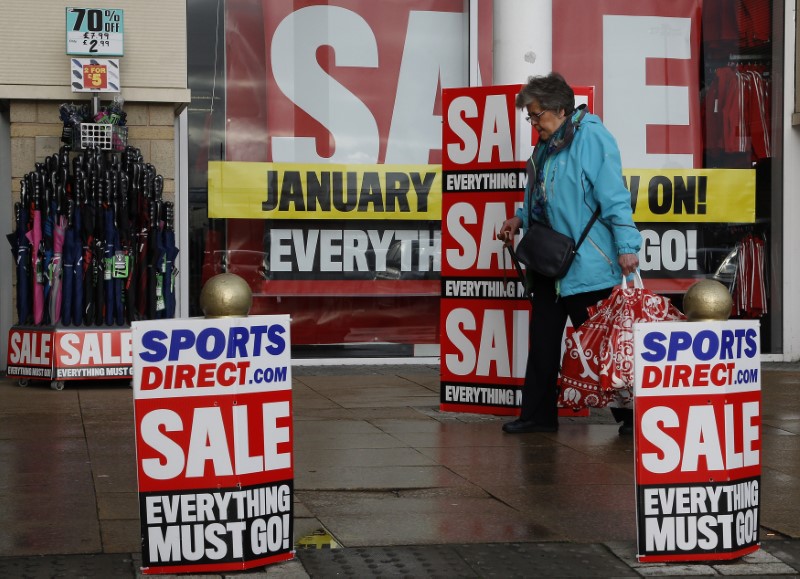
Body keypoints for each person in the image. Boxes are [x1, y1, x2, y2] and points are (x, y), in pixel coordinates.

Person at [498, 73, 641, 435]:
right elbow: (543, 194)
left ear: (560, 109)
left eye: (536, 116)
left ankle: (634, 419)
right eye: (529, 117)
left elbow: (614, 195)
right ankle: (537, 416)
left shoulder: (591, 136)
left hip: (587, 263)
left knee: (601, 347)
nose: (533, 124)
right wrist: (519, 216)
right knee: (544, 341)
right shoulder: (547, 143)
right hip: (549, 261)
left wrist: (626, 246)